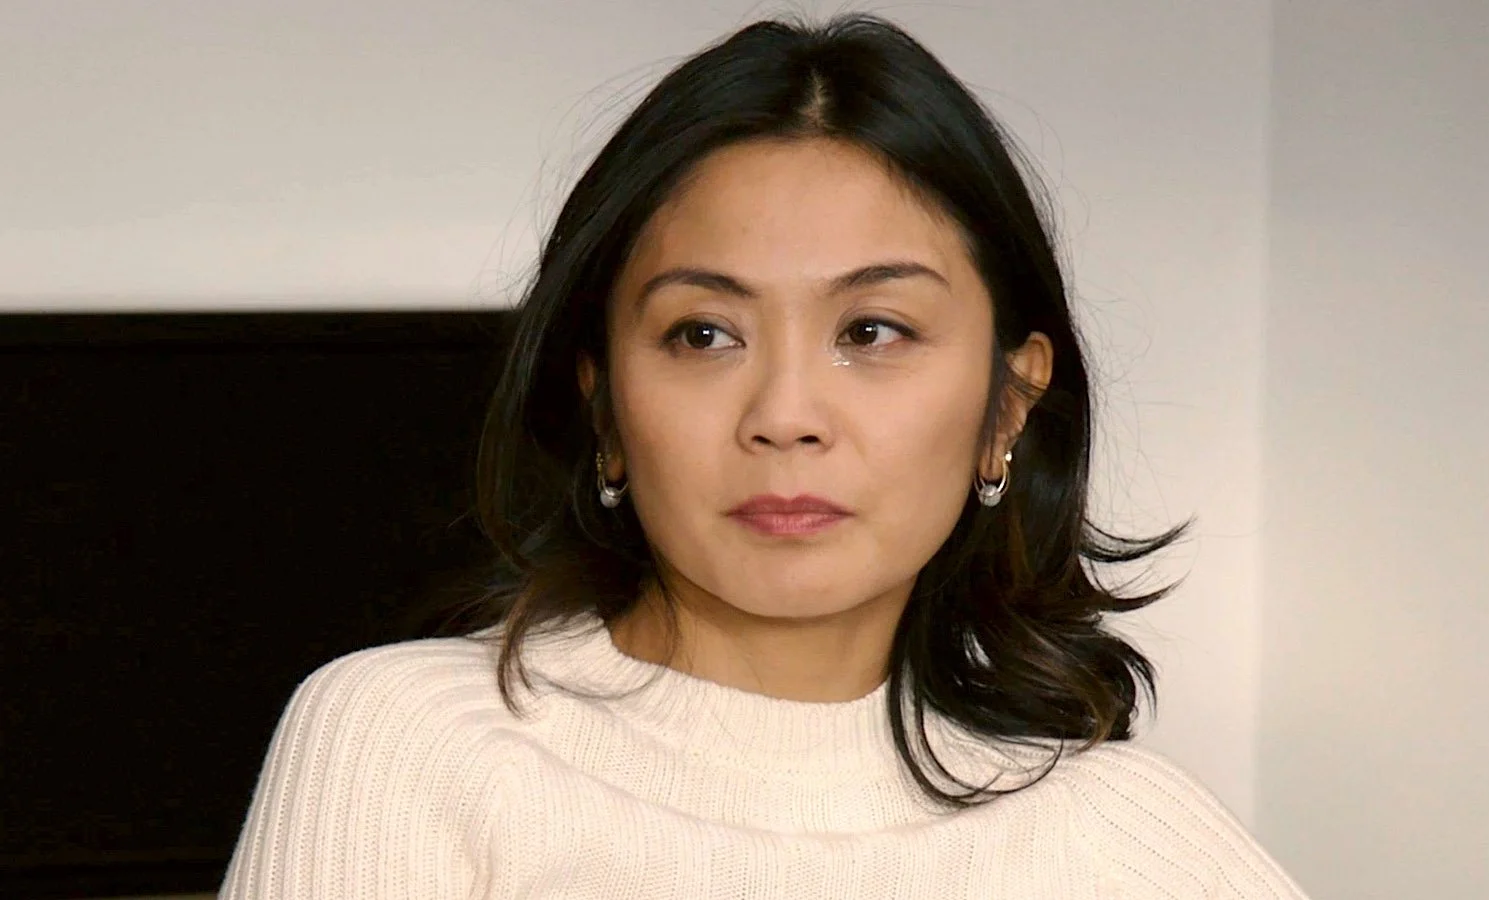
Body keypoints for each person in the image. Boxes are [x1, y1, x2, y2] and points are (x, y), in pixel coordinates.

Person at [219, 14, 1307, 899]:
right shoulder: (406, 748)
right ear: (602, 405)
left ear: (1006, 408)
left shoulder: (1112, 837)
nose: (785, 415)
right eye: (704, 335)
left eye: (872, 332)